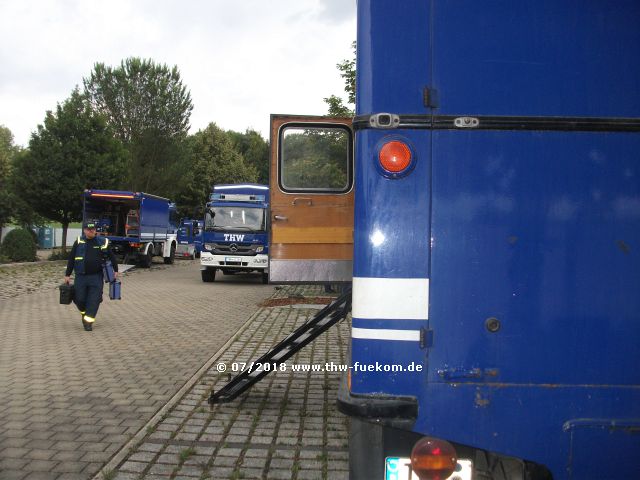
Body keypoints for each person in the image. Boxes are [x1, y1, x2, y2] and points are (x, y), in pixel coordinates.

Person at [64, 221, 119, 331]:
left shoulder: (102, 242)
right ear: (84, 230)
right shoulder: (79, 242)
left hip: (96, 277)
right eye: (89, 229)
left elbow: (112, 256)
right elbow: (71, 259)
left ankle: (88, 322)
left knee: (93, 300)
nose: (91, 231)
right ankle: (85, 313)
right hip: (81, 276)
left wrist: (115, 270)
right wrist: (67, 274)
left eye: (93, 229)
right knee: (79, 299)